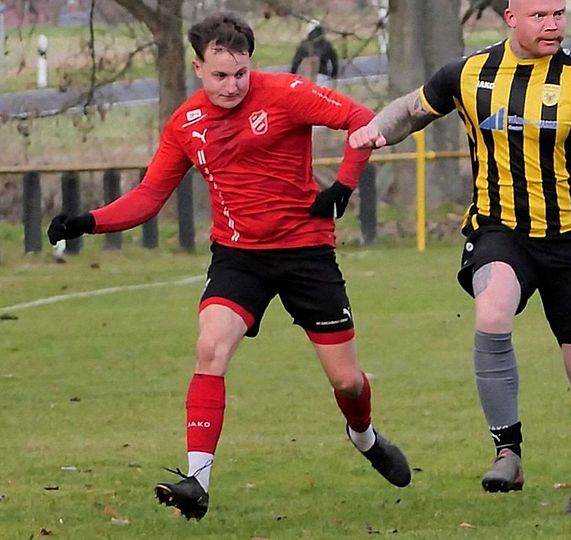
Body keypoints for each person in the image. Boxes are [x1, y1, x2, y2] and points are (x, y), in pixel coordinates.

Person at [46, 12, 411, 521]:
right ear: (198, 67)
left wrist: (344, 185)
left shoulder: (286, 93)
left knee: (347, 382)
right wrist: (89, 221)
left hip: (305, 252)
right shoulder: (186, 125)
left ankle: (363, 435)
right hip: (239, 257)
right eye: (220, 75)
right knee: (210, 347)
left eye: (240, 73)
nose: (232, 85)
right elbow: (150, 195)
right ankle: (197, 481)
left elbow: (361, 120)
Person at [349, 0, 571, 514]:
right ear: (511, 17)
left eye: (559, 14)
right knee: (492, 312)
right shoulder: (471, 73)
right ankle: (508, 452)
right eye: (539, 16)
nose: (552, 25)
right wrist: (378, 129)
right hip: (499, 229)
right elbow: (412, 108)